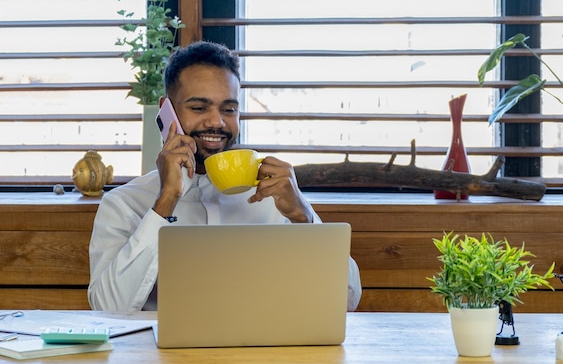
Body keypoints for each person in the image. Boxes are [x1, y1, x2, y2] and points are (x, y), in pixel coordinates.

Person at [88, 40, 362, 312]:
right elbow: (108, 309)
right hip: (160, 355)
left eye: (228, 109)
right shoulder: (123, 204)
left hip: (264, 352)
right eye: (199, 108)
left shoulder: (276, 197)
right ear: (166, 111)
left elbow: (347, 301)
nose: (216, 122)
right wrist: (165, 202)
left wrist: (303, 218)